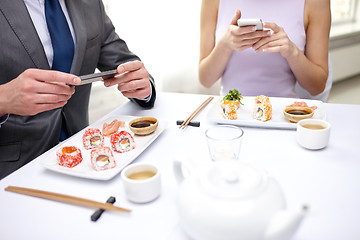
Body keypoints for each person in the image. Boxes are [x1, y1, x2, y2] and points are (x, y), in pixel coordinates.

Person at [0, 0, 156, 179]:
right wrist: (4, 98)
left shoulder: (90, 4)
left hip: (87, 160)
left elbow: (123, 61)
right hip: (15, 170)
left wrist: (142, 85)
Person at [199, 0, 331, 98]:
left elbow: (317, 87)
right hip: (230, 114)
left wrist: (292, 52)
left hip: (283, 116)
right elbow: (205, 79)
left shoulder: (315, 3)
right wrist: (225, 44)